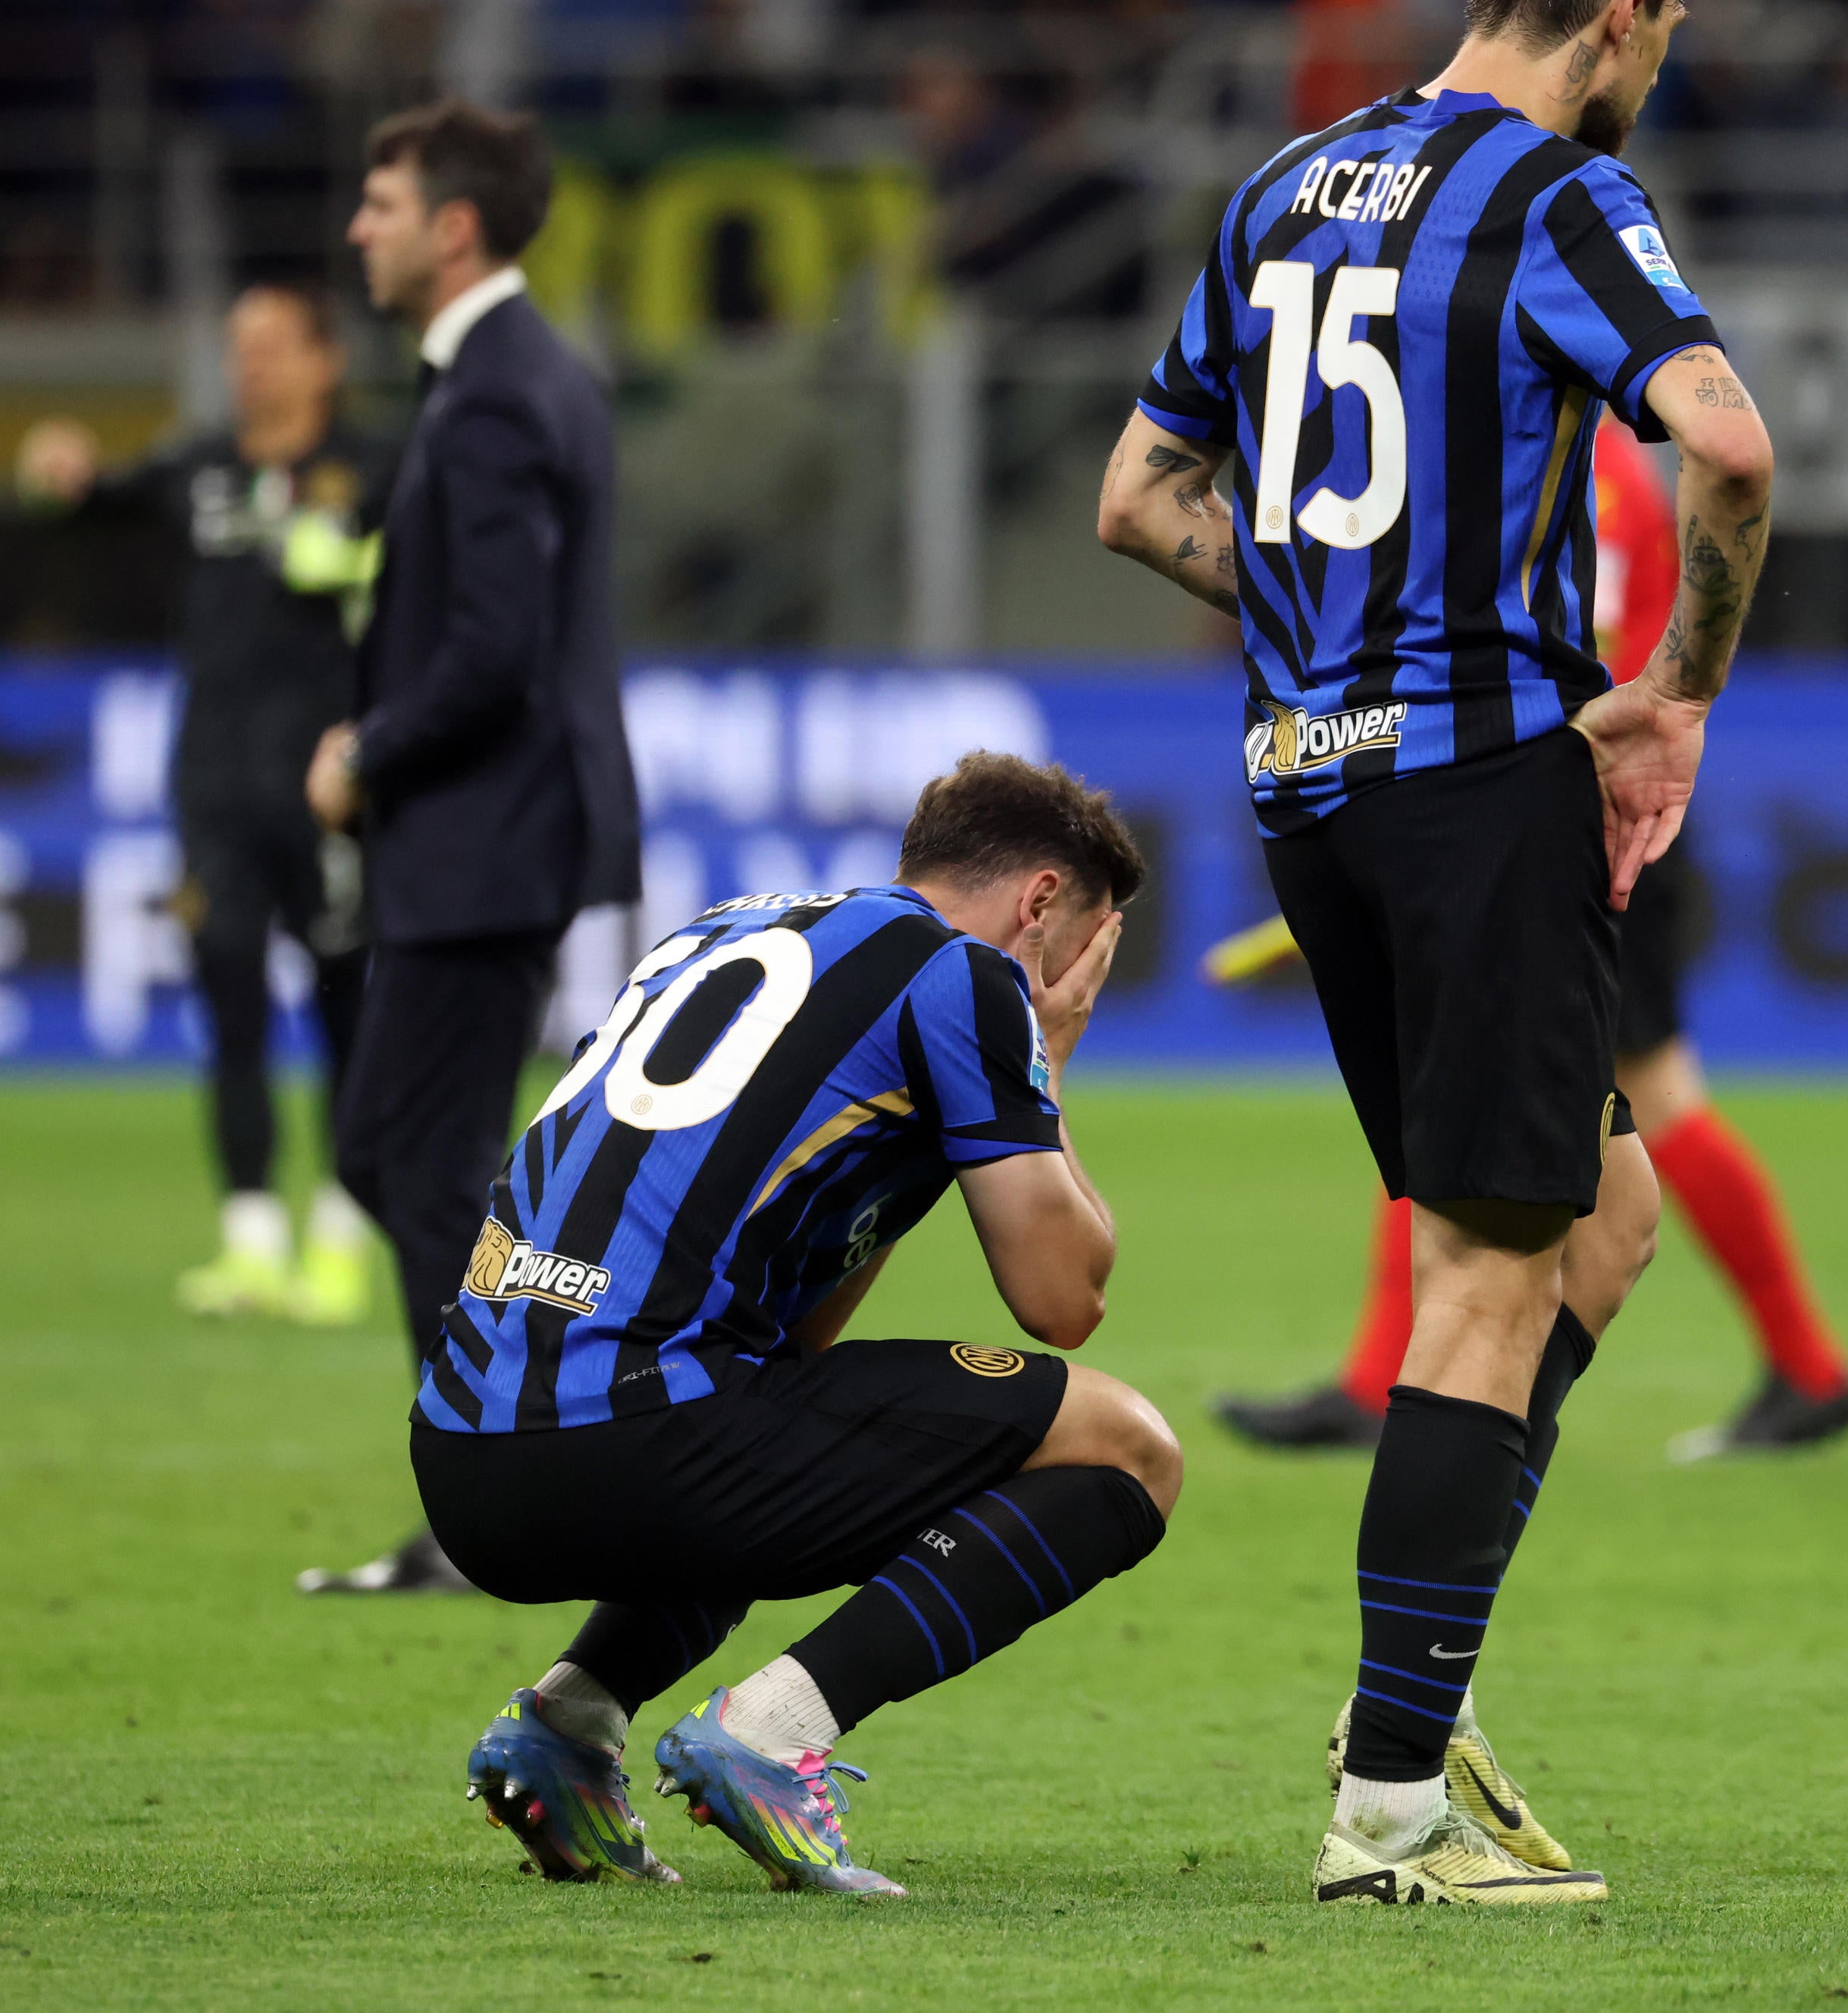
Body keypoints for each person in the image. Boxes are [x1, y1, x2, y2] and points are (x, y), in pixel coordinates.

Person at [1099, 0, 1773, 1905]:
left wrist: (1313, 604)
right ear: (1624, 16)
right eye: (1657, 38)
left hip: (1308, 790)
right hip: (1483, 791)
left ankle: (1423, 1663)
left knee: (1605, 1217)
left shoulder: (1277, 190)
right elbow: (1726, 443)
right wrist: (1668, 693)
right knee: (1490, 1276)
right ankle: (1387, 1801)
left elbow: (1137, 499)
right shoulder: (1562, 193)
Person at [415, 753, 1176, 1895]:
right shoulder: (966, 976)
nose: (1082, 982)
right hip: (625, 1448)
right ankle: (775, 1734)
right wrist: (1046, 1060)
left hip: (460, 1461)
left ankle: (567, 1728)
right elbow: (1064, 1299)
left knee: (758, 1397)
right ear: (1043, 902)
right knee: (1128, 1447)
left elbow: (793, 1343)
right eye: (1095, 950)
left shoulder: (718, 931)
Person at [1211, 414, 1848, 1460]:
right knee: (1476, 1072)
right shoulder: (1604, 460)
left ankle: (1808, 1370)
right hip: (1581, 803)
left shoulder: (1534, 454)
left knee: (1605, 1091)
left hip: (1562, 811)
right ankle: (1382, 1381)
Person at [298, 99, 641, 1597]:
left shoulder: (496, 393)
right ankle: (517, 1469)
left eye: (380, 203)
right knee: (402, 1155)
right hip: (490, 838)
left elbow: (495, 649)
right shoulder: (506, 377)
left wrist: (365, 752)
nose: (357, 228)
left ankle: (509, 1491)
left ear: (451, 226)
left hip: (484, 838)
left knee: (413, 1161)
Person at [12, 283, 390, 1324]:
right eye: (239, 347)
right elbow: (93, 497)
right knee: (227, 1000)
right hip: (214, 788)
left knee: (344, 1009)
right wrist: (61, 469)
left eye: (273, 346)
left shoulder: (380, 470)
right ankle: (251, 1242)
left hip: (331, 792)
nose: (251, 365)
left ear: (324, 360)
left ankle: (342, 1240)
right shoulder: (201, 467)